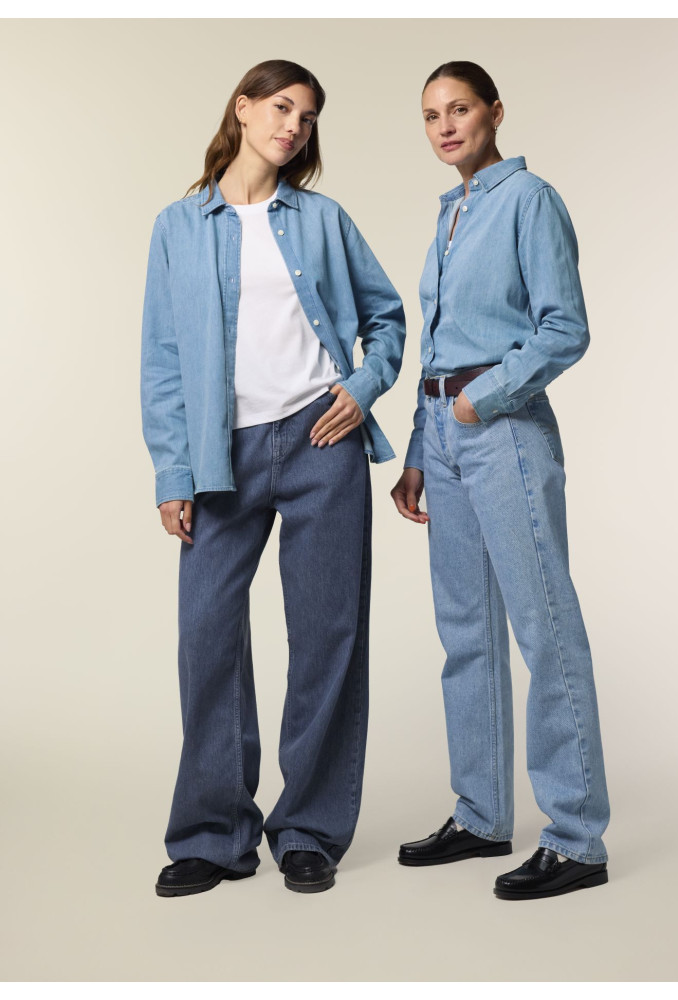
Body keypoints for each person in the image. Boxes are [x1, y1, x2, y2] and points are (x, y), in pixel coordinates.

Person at [141, 60, 405, 897]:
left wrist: (361, 388)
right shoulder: (178, 225)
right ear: (243, 108)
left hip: (320, 440)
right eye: (283, 107)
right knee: (207, 636)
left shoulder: (322, 219)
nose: (294, 126)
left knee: (327, 634)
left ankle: (309, 830)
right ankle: (213, 835)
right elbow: (163, 359)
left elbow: (386, 318)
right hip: (220, 455)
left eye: (308, 117)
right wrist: (172, 470)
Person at [390, 61, 610, 900]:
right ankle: (481, 815)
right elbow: (435, 344)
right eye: (430, 115)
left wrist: (479, 402)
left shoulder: (528, 200)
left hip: (503, 429)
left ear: (494, 113)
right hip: (444, 435)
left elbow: (563, 328)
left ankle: (577, 839)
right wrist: (420, 447)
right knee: (465, 632)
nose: (445, 126)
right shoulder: (449, 214)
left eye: (459, 109)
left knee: (543, 626)